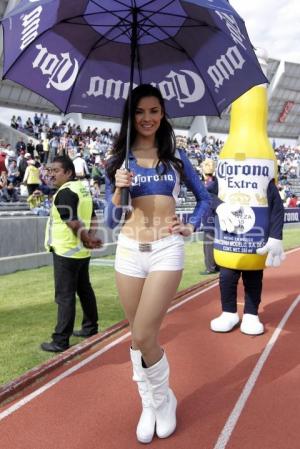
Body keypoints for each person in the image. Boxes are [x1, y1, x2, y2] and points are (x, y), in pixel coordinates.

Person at [105, 84, 210, 443]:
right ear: (131, 116)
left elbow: (205, 198)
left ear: (162, 114)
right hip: (129, 252)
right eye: (140, 111)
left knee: (144, 334)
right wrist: (119, 188)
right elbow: (110, 220)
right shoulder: (119, 162)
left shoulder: (177, 159)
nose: (147, 118)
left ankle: (164, 400)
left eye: (154, 111)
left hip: (166, 249)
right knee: (137, 338)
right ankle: (149, 403)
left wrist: (191, 224)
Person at [41, 156, 102, 353]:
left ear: (68, 172)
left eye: (55, 171)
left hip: (65, 251)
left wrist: (86, 237)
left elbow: (73, 222)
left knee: (65, 296)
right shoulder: (83, 189)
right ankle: (90, 327)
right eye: (49, 171)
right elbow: (93, 216)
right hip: (80, 252)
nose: (51, 175)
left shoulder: (65, 193)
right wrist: (90, 238)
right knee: (84, 290)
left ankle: (60, 340)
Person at [200, 159, 219, 275]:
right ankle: (215, 265)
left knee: (208, 245)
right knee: (213, 244)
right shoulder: (215, 183)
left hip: (209, 219)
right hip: (213, 218)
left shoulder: (207, 186)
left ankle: (210, 267)